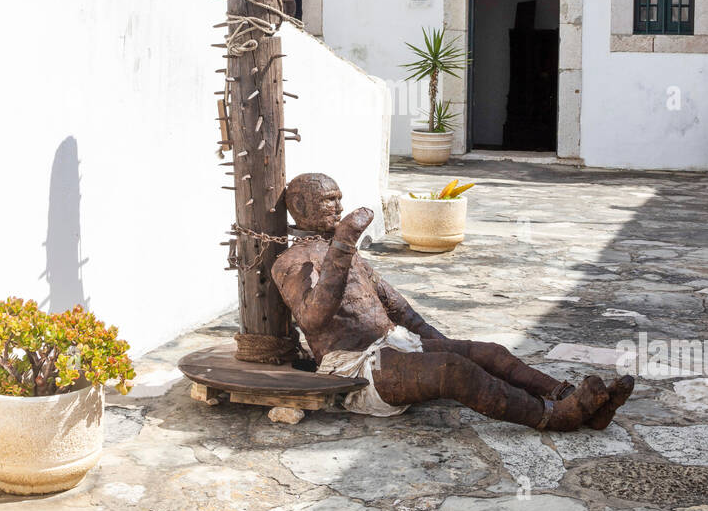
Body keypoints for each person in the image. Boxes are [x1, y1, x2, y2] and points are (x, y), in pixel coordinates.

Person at [271, 173, 633, 430]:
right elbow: (315, 319)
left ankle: (581, 401)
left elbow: (397, 307)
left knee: (488, 353)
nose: (338, 206)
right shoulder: (289, 263)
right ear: (301, 205)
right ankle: (558, 416)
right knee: (451, 371)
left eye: (338, 198)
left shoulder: (339, 251)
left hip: (394, 347)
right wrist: (344, 243)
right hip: (354, 369)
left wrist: (442, 342)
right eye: (328, 200)